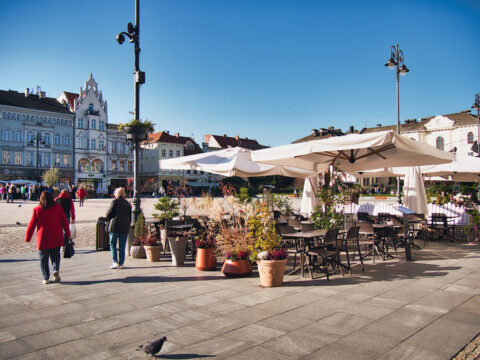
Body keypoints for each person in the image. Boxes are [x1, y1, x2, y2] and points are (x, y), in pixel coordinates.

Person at [25, 191, 70, 284]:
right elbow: (64, 221)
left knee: (43, 258)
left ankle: (46, 278)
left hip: (43, 238)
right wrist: (68, 234)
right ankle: (55, 269)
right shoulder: (57, 207)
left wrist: (28, 237)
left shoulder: (37, 209)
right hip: (56, 236)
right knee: (55, 255)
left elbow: (31, 225)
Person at [105, 187, 132, 269]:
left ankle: (115, 261)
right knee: (122, 246)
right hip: (124, 227)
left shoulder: (115, 202)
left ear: (116, 194)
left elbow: (109, 214)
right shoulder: (127, 204)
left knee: (112, 243)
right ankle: (121, 263)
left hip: (115, 226)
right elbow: (130, 216)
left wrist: (107, 218)